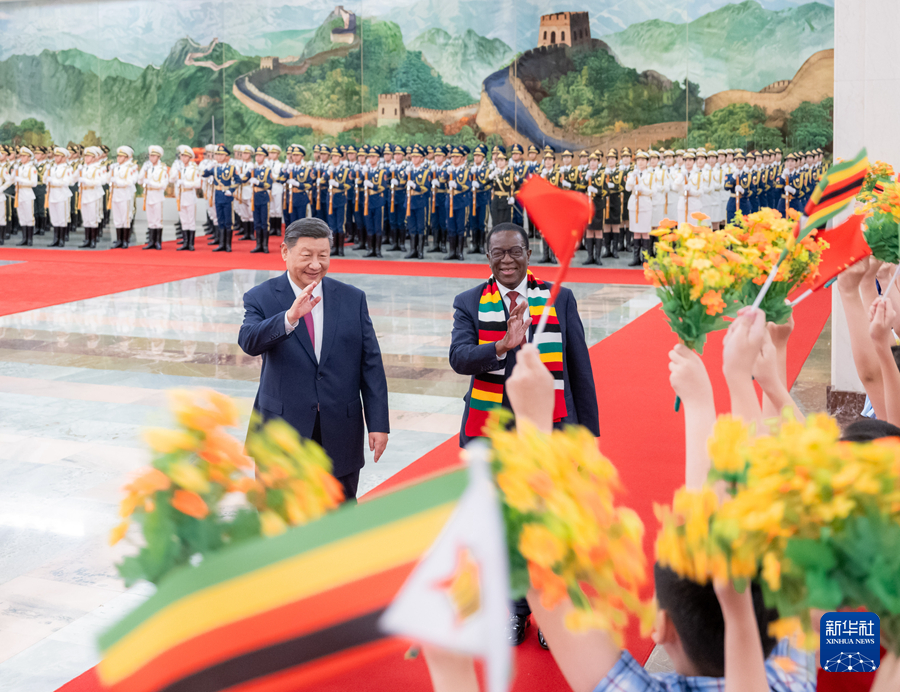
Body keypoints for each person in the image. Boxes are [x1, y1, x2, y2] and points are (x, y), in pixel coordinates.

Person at [448, 221, 600, 646]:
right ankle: (517, 610)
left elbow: (579, 370)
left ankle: (554, 608)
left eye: (515, 251)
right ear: (487, 255)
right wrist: (500, 345)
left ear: (529, 253)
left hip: (553, 429)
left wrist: (587, 435)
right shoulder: (470, 302)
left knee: (552, 523)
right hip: (496, 433)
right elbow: (460, 358)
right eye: (498, 253)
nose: (507, 260)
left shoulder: (559, 298)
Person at [237, 218, 390, 501]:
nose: (316, 265)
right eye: (306, 255)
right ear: (285, 251)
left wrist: (378, 423)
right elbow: (248, 341)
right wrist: (289, 318)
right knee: (279, 520)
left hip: (340, 429)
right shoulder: (261, 297)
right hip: (281, 430)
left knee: (339, 519)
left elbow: (370, 363)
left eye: (324, 256)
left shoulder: (352, 298)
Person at [202, 144, 243, 253]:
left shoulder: (231, 168)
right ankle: (221, 244)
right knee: (220, 220)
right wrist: (209, 166)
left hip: (227, 196)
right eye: (217, 154)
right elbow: (204, 174)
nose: (219, 157)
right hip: (218, 196)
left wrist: (231, 190)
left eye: (221, 155)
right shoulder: (215, 168)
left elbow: (238, 181)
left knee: (228, 221)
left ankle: (228, 244)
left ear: (226, 156)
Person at [77, 146, 108, 249]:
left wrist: (86, 181)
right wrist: (77, 173)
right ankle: (87, 239)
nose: (86, 158)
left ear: (94, 157)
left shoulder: (98, 168)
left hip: (93, 195)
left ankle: (93, 240)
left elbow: (100, 181)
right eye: (85, 156)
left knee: (93, 218)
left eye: (89, 156)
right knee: (86, 218)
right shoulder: (83, 167)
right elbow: (73, 179)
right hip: (84, 194)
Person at [140, 145, 169, 251]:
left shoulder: (162, 168)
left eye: (153, 156)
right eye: (150, 155)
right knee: (150, 220)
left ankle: (158, 242)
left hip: (157, 196)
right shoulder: (147, 167)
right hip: (148, 196)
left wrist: (150, 182)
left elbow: (163, 185)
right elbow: (139, 180)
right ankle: (151, 241)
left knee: (157, 220)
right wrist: (143, 170)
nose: (151, 158)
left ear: (158, 157)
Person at [45, 146, 75, 248]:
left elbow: (68, 182)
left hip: (62, 195)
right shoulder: (52, 167)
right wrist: (46, 174)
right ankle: (55, 239)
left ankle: (61, 239)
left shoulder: (67, 168)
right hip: (52, 194)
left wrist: (53, 181)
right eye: (55, 155)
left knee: (62, 218)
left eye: (58, 156)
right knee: (54, 218)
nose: (55, 157)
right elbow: (45, 180)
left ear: (63, 157)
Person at [173, 145, 202, 251]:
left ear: (189, 157)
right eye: (181, 156)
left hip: (189, 195)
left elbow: (198, 183)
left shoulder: (194, 168)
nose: (183, 158)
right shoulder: (179, 167)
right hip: (180, 196)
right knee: (184, 220)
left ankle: (191, 243)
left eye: (185, 156)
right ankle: (185, 242)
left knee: (191, 220)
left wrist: (185, 183)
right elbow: (171, 179)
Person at [14, 147, 39, 246]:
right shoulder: (19, 168)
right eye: (21, 156)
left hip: (27, 194)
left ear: (29, 157)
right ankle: (24, 238)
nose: (21, 158)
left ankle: (29, 239)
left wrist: (20, 179)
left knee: (29, 217)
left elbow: (34, 183)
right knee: (22, 217)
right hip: (19, 194)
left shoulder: (31, 168)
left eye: (24, 156)